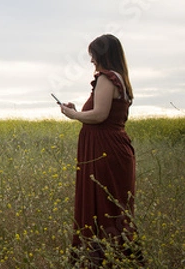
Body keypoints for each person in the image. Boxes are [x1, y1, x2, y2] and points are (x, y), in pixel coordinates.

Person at [59, 34, 144, 267]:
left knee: (103, 206)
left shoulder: (107, 78)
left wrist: (72, 114)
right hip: (111, 147)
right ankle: (114, 259)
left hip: (105, 149)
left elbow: (99, 115)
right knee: (112, 206)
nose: (91, 61)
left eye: (93, 55)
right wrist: (79, 111)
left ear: (103, 55)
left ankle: (103, 260)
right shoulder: (119, 78)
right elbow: (102, 113)